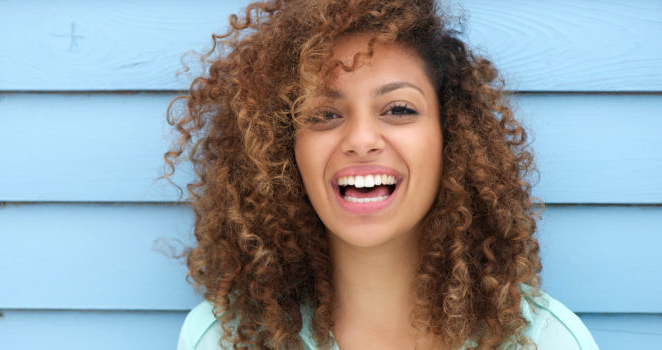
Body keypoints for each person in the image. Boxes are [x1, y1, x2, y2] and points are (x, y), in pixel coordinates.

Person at [165, 0, 599, 349]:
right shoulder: (221, 339)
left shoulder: (545, 341)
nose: (361, 139)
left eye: (398, 110)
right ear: (282, 152)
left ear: (451, 137)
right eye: (324, 114)